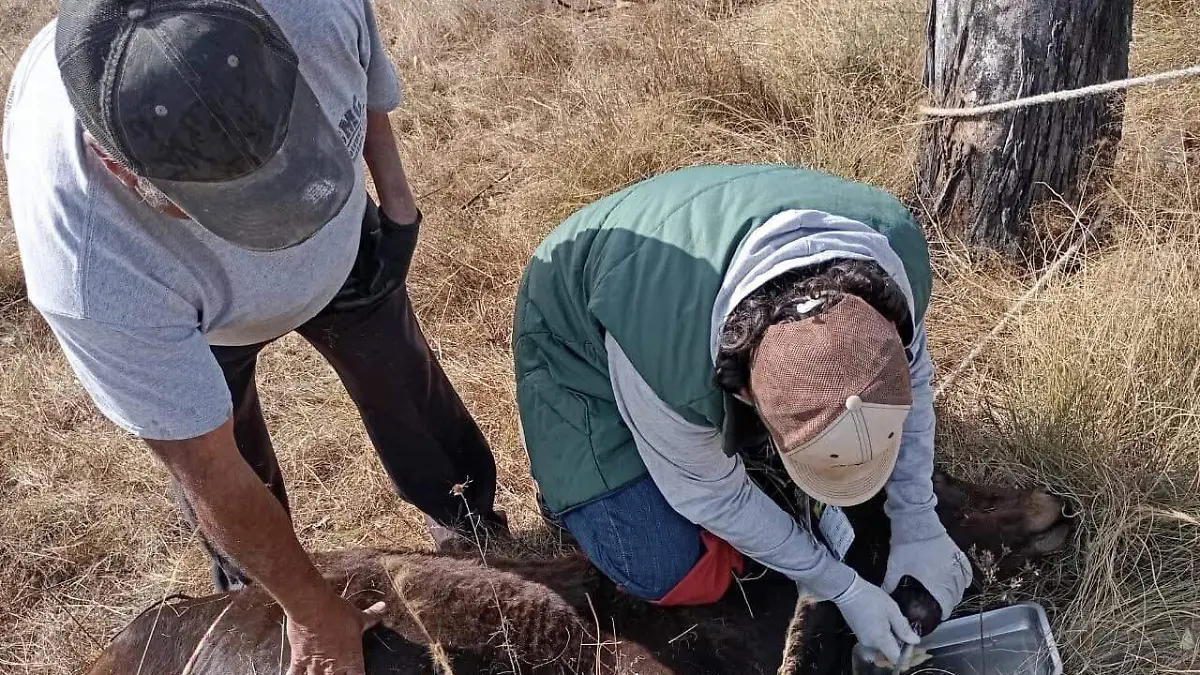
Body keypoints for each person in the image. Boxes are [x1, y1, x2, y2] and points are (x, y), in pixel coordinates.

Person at [3, 1, 506, 673]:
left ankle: (466, 517)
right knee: (235, 455)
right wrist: (312, 611)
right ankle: (256, 609)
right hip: (203, 323)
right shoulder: (88, 264)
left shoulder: (311, 11)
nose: (283, 226)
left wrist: (397, 204)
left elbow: (364, 87)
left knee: (405, 384)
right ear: (120, 170)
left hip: (350, 255)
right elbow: (208, 467)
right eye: (234, 204)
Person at [512, 164, 973, 664]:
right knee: (660, 565)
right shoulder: (663, 348)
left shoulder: (893, 266)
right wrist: (839, 586)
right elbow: (711, 496)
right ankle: (569, 489)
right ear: (748, 395)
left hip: (705, 230)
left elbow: (916, 379)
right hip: (578, 331)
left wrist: (918, 521)